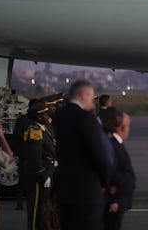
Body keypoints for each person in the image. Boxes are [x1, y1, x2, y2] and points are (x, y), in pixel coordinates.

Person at [52, 79, 112, 230]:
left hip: (64, 189)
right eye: (92, 97)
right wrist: (106, 181)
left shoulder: (59, 116)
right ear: (84, 95)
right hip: (86, 190)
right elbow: (99, 153)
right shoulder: (86, 118)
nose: (93, 102)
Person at [23, 100, 58, 230]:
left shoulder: (45, 128)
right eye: (44, 114)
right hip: (37, 175)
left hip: (49, 169)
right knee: (35, 209)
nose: (47, 115)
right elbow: (35, 157)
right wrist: (42, 175)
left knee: (44, 208)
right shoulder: (35, 130)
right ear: (38, 116)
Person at [101, 107, 135, 230]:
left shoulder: (116, 144)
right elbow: (110, 173)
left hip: (119, 201)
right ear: (122, 127)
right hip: (114, 202)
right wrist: (115, 200)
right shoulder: (113, 146)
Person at [11, 98, 38, 210]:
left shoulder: (21, 119)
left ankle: (20, 202)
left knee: (22, 178)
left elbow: (16, 135)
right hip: (31, 152)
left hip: (23, 152)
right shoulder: (35, 120)